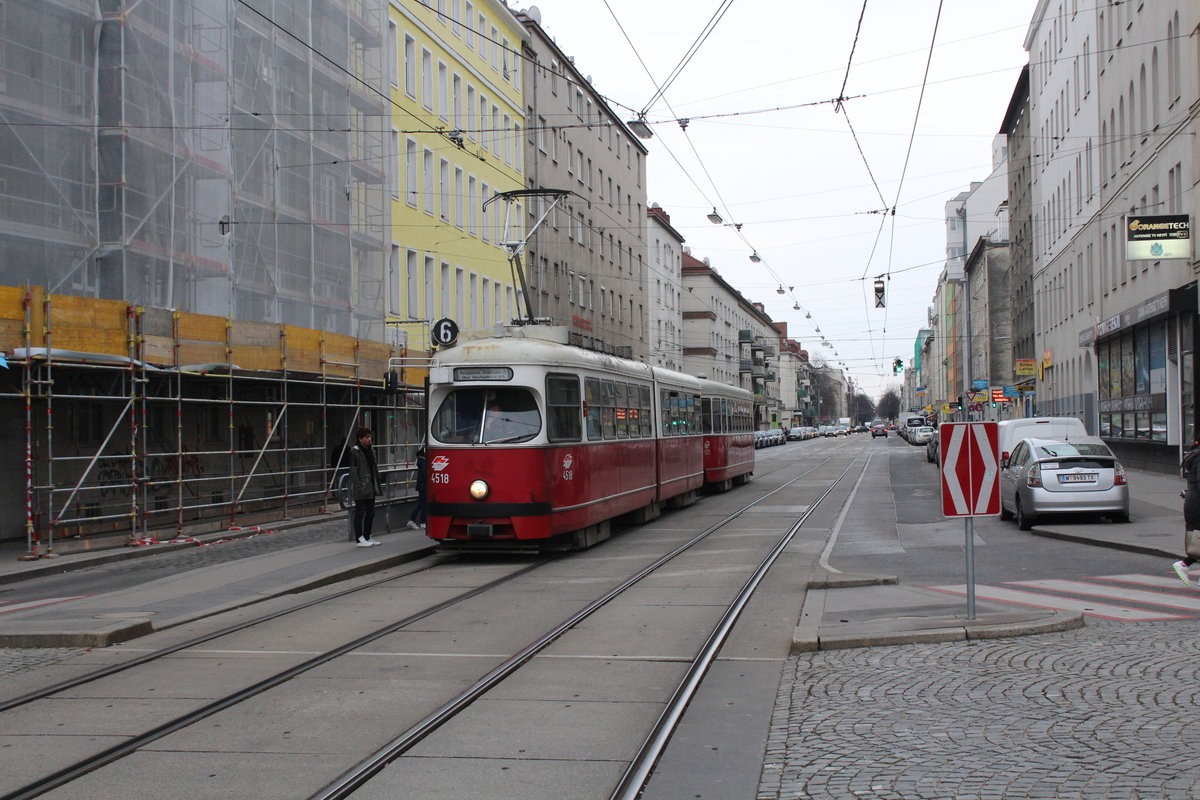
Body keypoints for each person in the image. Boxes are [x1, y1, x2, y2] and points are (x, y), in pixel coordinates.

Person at [1172, 441, 1200, 584]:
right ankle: (1184, 565)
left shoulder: (1196, 456)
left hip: (1194, 502)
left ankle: (1184, 565)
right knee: (1198, 540)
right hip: (1197, 504)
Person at [349, 426, 383, 547]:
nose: (369, 439)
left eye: (370, 437)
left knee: (371, 512)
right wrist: (358, 486)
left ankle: (367, 536)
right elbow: (353, 471)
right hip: (362, 487)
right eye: (367, 437)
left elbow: (373, 467)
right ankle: (359, 538)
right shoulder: (355, 452)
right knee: (360, 512)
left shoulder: (370, 450)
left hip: (370, 486)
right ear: (360, 438)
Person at [406, 447, 427, 530]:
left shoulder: (420, 463)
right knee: (422, 504)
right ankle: (416, 521)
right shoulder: (424, 463)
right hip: (423, 486)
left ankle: (418, 521)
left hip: (421, 486)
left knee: (421, 504)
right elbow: (425, 475)